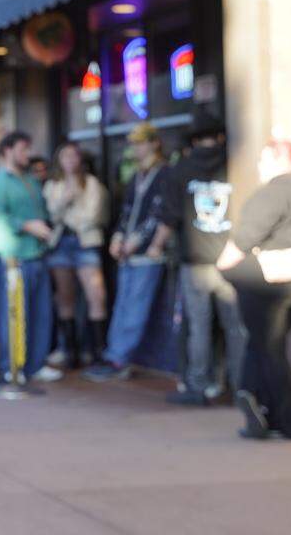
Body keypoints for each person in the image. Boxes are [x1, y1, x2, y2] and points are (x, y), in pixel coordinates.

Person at [218, 139, 291, 440]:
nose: (259, 166)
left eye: (265, 160)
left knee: (269, 349)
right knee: (265, 345)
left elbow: (241, 242)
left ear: (282, 161)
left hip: (266, 283)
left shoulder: (276, 192)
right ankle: (257, 407)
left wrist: (225, 266)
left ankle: (283, 419)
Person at [158, 113, 247, 406]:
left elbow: (169, 216)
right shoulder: (235, 164)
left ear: (192, 140)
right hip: (230, 258)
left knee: (199, 326)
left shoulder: (179, 170)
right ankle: (240, 386)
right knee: (235, 327)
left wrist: (154, 246)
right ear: (220, 137)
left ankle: (198, 385)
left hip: (195, 260)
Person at [86, 124, 172, 382]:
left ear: (154, 143)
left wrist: (136, 240)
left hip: (147, 254)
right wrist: (118, 236)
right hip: (128, 253)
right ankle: (114, 354)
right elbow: (126, 210)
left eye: (141, 142)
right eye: (133, 143)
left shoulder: (164, 173)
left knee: (135, 306)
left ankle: (119, 358)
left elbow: (160, 213)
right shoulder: (136, 175)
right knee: (122, 304)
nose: (136, 148)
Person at [0, 132, 59, 382]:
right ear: (7, 151)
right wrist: (27, 226)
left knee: (41, 312)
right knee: (13, 314)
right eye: (23, 149)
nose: (27, 154)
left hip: (37, 254)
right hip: (13, 257)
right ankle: (12, 364)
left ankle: (36, 362)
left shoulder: (31, 180)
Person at [43, 143, 109, 368]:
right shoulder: (53, 185)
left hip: (85, 242)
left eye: (74, 156)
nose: (70, 160)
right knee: (65, 297)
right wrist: (64, 202)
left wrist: (66, 215)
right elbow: (50, 214)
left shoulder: (91, 184)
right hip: (61, 243)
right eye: (65, 156)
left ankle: (98, 351)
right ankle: (70, 351)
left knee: (96, 295)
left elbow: (93, 215)